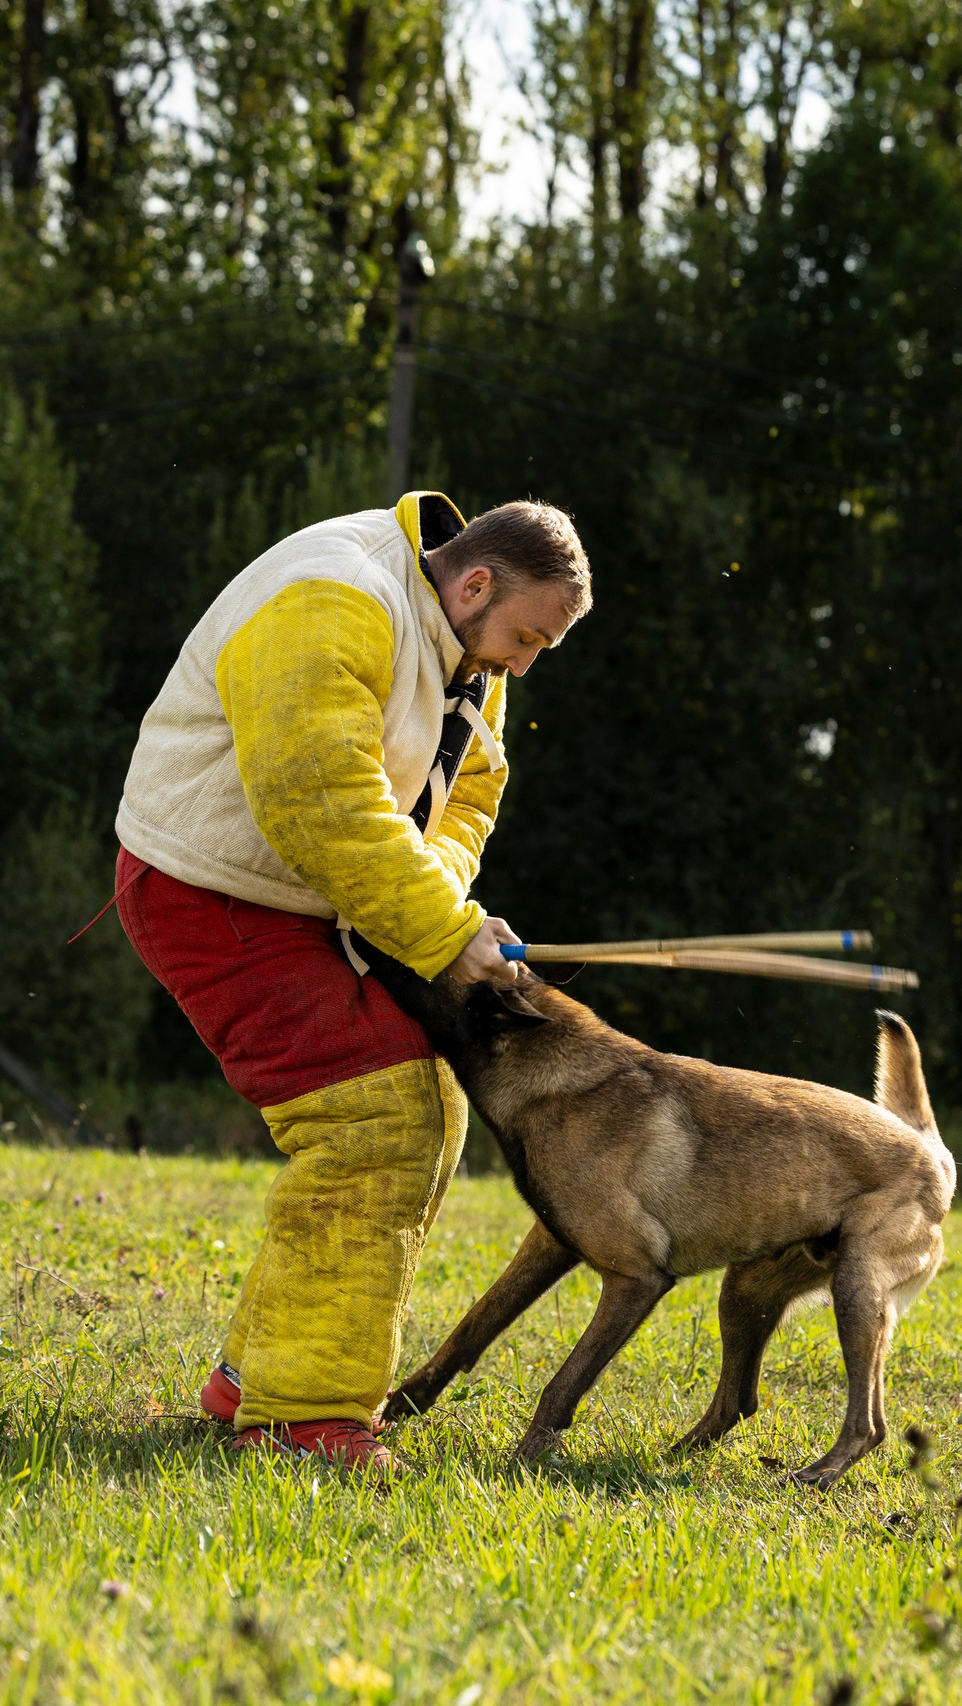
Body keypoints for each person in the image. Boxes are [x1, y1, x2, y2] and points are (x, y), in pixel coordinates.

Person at [112, 490, 592, 1470]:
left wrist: (443, 907)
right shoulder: (332, 597)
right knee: (379, 1114)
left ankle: (258, 1376)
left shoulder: (471, 635)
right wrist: (439, 930)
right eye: (528, 637)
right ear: (474, 581)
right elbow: (318, 800)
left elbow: (471, 790)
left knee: (422, 1107)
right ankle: (304, 1417)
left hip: (309, 896)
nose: (524, 664)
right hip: (210, 890)